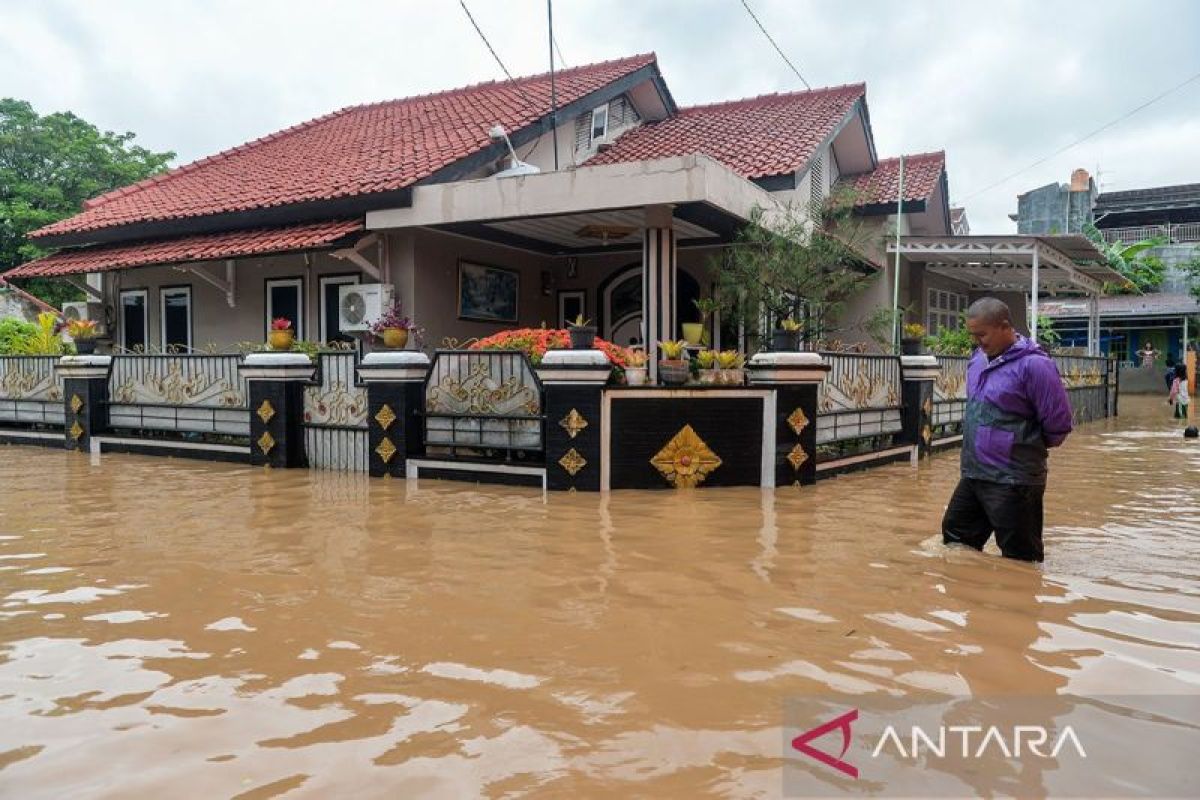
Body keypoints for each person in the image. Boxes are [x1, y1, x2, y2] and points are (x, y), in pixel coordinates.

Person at [942, 298, 1073, 562]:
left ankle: (1021, 601)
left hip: (1014, 480)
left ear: (1004, 327)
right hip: (975, 473)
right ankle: (970, 599)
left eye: (982, 334)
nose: (977, 341)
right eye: (973, 335)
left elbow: (1058, 425)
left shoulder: (1035, 366)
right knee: (956, 538)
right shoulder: (977, 360)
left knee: (1020, 558)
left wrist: (1023, 446)